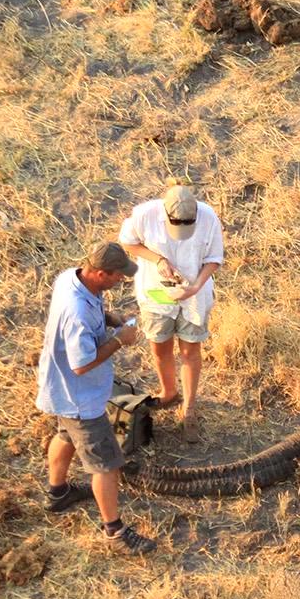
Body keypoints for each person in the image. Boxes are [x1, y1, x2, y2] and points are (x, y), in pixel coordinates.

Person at [35, 242, 158, 554]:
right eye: (117, 277)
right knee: (106, 466)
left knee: (65, 435)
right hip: (80, 398)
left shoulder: (70, 277)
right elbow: (81, 364)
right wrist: (120, 340)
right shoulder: (76, 314)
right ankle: (114, 532)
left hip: (61, 391)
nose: (121, 281)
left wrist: (110, 319)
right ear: (101, 272)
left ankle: (58, 492)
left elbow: (92, 311)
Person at [118, 179, 224, 441]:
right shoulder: (145, 215)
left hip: (194, 296)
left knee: (190, 350)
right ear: (165, 214)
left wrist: (196, 286)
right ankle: (168, 393)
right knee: (159, 347)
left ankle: (189, 408)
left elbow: (214, 258)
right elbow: (128, 242)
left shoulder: (208, 217)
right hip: (155, 294)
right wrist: (159, 260)